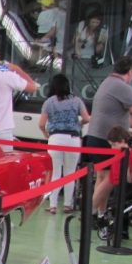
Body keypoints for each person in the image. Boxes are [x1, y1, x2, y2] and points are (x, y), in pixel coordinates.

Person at [83, 56, 132, 226]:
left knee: (102, 177)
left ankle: (99, 215)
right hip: (109, 141)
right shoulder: (122, 87)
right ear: (131, 71)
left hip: (95, 137)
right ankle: (89, 215)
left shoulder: (106, 83)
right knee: (111, 178)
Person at [38, 74, 90, 214]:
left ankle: (53, 205)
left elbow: (41, 124)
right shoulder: (77, 101)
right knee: (70, 174)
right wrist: (79, 123)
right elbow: (86, 118)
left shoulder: (49, 102)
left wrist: (46, 134)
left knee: (55, 173)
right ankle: (67, 205)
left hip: (55, 138)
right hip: (73, 139)